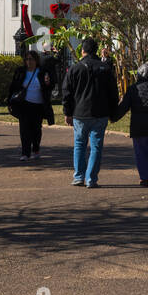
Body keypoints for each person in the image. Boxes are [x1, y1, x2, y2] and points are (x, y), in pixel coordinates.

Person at [61, 37, 119, 188]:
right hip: (100, 112)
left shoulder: (75, 68)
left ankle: (79, 175)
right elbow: (113, 92)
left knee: (79, 144)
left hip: (80, 112)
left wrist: (67, 112)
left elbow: (67, 92)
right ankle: (91, 178)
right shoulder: (104, 68)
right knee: (96, 146)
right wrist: (113, 112)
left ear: (82, 50)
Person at [9, 49, 55, 162]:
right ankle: (25, 152)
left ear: (36, 60)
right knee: (24, 129)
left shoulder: (42, 71)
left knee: (36, 129)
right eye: (27, 59)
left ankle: (36, 149)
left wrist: (48, 83)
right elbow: (13, 86)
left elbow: (50, 86)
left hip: (38, 105)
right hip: (24, 104)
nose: (29, 61)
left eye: (31, 59)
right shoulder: (20, 71)